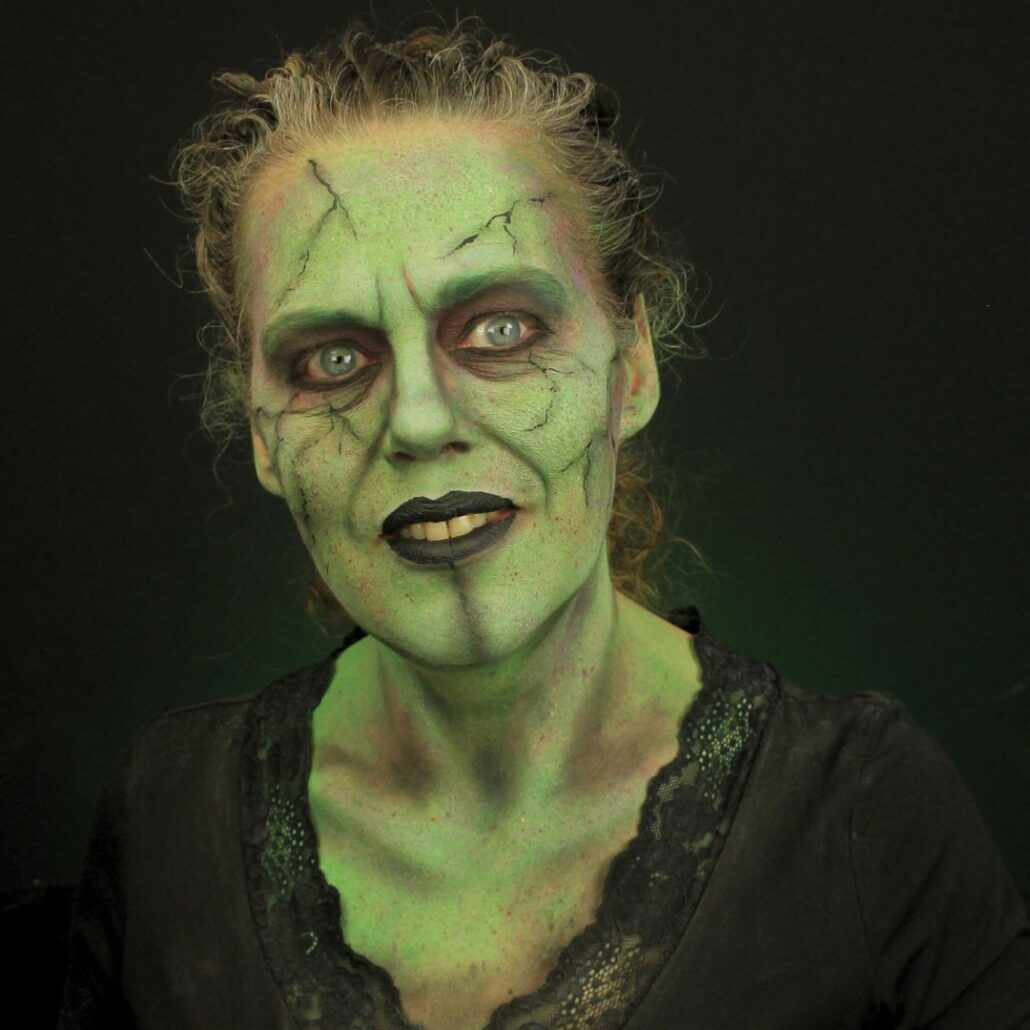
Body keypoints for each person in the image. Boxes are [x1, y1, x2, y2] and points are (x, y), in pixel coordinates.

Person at [59, 19, 1029, 1030]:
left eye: (501, 329)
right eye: (333, 360)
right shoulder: (166, 816)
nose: (417, 422)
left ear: (631, 367)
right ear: (263, 432)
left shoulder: (864, 807)